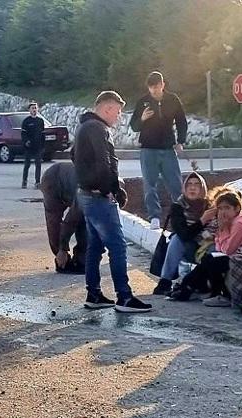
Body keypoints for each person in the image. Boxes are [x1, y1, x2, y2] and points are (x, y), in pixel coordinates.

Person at [73, 90, 152, 313]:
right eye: (117, 112)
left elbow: (73, 156)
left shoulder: (83, 127)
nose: (118, 117)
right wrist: (112, 189)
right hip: (99, 196)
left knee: (95, 247)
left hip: (86, 194)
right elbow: (105, 161)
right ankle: (124, 297)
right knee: (117, 247)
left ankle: (94, 294)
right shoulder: (98, 129)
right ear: (107, 109)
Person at [129, 71, 188, 230]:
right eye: (151, 88)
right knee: (150, 184)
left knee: (176, 183)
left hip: (168, 148)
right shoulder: (143, 102)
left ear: (163, 85)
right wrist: (142, 119)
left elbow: (182, 121)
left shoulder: (172, 99)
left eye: (156, 86)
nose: (154, 90)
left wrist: (181, 141)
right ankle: (154, 216)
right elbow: (134, 126)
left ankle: (181, 214)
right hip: (148, 149)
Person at [168, 190, 242, 307]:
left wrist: (222, 229)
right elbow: (220, 246)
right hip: (237, 257)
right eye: (220, 208)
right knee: (210, 258)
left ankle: (192, 288)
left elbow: (227, 250)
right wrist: (222, 229)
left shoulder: (239, 224)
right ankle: (190, 287)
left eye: (227, 208)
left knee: (212, 259)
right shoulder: (231, 221)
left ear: (236, 208)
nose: (223, 212)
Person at [152, 173, 211, 295]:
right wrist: (202, 221)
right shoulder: (178, 206)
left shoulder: (210, 206)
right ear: (184, 187)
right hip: (187, 248)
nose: (192, 188)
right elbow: (184, 234)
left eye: (196, 185)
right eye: (189, 184)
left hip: (205, 247)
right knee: (177, 239)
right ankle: (165, 281)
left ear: (202, 188)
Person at [41, 162, 86, 274]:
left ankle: (81, 260)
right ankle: (62, 260)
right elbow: (70, 221)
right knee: (54, 221)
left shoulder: (111, 184)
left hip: (71, 185)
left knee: (84, 221)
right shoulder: (91, 190)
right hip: (52, 180)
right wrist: (62, 248)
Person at [21, 102, 45, 189]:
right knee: (27, 164)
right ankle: (24, 181)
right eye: (32, 108)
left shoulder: (40, 121)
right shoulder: (26, 121)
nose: (34, 110)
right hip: (29, 147)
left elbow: (43, 134)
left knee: (38, 165)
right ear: (29, 110)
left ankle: (37, 182)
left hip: (38, 147)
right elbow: (23, 134)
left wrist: (43, 146)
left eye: (35, 108)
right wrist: (26, 141)